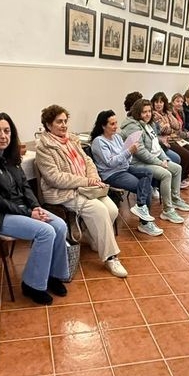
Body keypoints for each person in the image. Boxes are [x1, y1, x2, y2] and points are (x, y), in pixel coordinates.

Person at [0, 112, 69, 305]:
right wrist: (28, 212)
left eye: (6, 131)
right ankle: (32, 285)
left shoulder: (10, 156)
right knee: (45, 231)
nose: (2, 136)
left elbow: (25, 186)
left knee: (60, 225)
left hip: (21, 208)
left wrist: (35, 207)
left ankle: (52, 276)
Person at [35, 104, 128, 278]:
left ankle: (92, 237)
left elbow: (88, 162)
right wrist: (86, 181)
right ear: (48, 125)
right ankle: (111, 258)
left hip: (86, 188)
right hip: (63, 192)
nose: (63, 125)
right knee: (99, 210)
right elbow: (54, 178)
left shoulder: (72, 140)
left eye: (65, 121)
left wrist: (93, 178)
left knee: (112, 209)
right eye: (58, 122)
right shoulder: (44, 148)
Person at [90, 110, 164, 238]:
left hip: (125, 168)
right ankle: (144, 222)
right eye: (112, 124)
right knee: (143, 186)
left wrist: (129, 153)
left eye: (116, 123)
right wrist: (128, 151)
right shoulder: (99, 142)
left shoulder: (117, 137)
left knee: (148, 173)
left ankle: (141, 209)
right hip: (111, 174)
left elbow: (125, 157)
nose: (115, 127)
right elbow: (111, 163)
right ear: (103, 126)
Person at [120, 98, 189, 225]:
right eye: (144, 112)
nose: (147, 114)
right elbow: (140, 152)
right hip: (137, 163)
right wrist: (159, 163)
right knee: (166, 174)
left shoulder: (149, 124)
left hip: (152, 159)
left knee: (177, 168)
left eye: (149, 111)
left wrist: (164, 159)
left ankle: (175, 199)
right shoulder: (133, 126)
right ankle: (167, 210)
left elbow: (156, 146)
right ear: (138, 113)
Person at [152, 91, 189, 185]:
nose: (159, 104)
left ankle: (184, 176)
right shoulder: (154, 115)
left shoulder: (167, 113)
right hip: (167, 141)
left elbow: (178, 126)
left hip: (175, 138)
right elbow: (165, 131)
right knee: (186, 154)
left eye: (161, 102)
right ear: (153, 103)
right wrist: (171, 128)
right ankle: (178, 180)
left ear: (164, 103)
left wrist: (169, 119)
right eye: (156, 102)